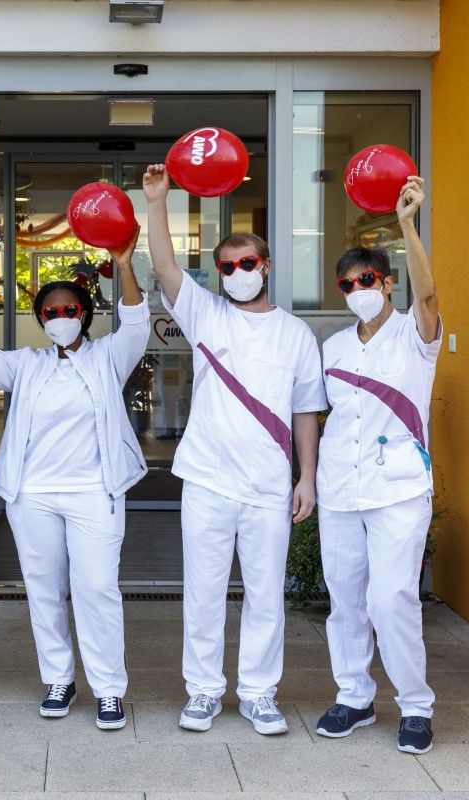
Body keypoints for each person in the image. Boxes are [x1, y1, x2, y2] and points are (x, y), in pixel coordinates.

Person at [0, 230, 148, 731]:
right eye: (49, 313)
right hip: (34, 498)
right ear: (41, 320)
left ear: (84, 316)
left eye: (68, 311)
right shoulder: (25, 366)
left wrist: (123, 264)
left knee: (97, 588)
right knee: (44, 590)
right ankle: (59, 677)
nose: (58, 319)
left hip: (95, 494)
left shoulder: (107, 358)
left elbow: (137, 325)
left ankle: (109, 689)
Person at [142, 165, 326, 736]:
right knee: (203, 593)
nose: (238, 273)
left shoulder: (295, 334)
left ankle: (259, 693)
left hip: (270, 484)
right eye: (228, 267)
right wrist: (156, 201)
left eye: (247, 264)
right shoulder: (206, 314)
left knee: (266, 595)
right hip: (207, 481)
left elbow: (306, 411)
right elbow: (167, 268)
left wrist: (307, 478)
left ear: (265, 266)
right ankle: (201, 692)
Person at [314, 176, 441, 754]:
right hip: (340, 488)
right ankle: (354, 698)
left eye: (366, 279)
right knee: (344, 600)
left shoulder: (416, 338)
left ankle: (415, 706)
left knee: (391, 598)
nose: (357, 289)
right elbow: (318, 417)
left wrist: (408, 225)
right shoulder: (334, 347)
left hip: (398, 491)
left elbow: (431, 297)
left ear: (387, 283)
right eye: (348, 283)